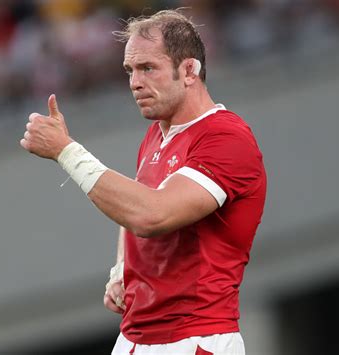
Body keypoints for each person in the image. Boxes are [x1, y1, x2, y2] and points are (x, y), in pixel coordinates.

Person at [20, 9, 266, 355]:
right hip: (135, 337)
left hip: (194, 338)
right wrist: (122, 267)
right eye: (130, 71)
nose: (135, 82)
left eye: (148, 68)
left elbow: (152, 215)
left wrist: (66, 151)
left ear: (190, 70)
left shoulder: (226, 138)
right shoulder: (157, 134)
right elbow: (136, 205)